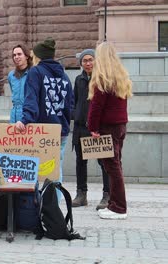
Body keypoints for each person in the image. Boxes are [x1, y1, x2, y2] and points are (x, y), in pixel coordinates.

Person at [15, 37, 74, 188]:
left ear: (38, 56)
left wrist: (25, 119)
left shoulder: (36, 72)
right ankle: (53, 207)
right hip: (61, 129)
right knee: (55, 169)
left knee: (31, 167)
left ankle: (33, 204)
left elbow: (31, 99)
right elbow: (70, 104)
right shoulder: (65, 76)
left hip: (42, 130)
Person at [88, 42, 132, 220]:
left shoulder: (102, 79)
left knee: (112, 167)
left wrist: (93, 128)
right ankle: (113, 204)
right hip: (120, 125)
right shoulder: (121, 76)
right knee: (115, 165)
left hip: (108, 128)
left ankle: (119, 207)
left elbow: (96, 108)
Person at [71, 49, 110, 209]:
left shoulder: (101, 79)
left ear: (96, 61)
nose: (87, 63)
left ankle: (107, 194)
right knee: (80, 162)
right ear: (81, 63)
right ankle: (81, 194)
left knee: (103, 163)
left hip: (96, 128)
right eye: (84, 60)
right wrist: (75, 114)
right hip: (80, 126)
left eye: (90, 59)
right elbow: (75, 100)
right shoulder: (79, 80)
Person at [8, 44, 32, 123]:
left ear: (26, 56)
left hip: (29, 115)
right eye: (14, 55)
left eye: (19, 54)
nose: (16, 57)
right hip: (14, 116)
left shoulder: (33, 73)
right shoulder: (11, 75)